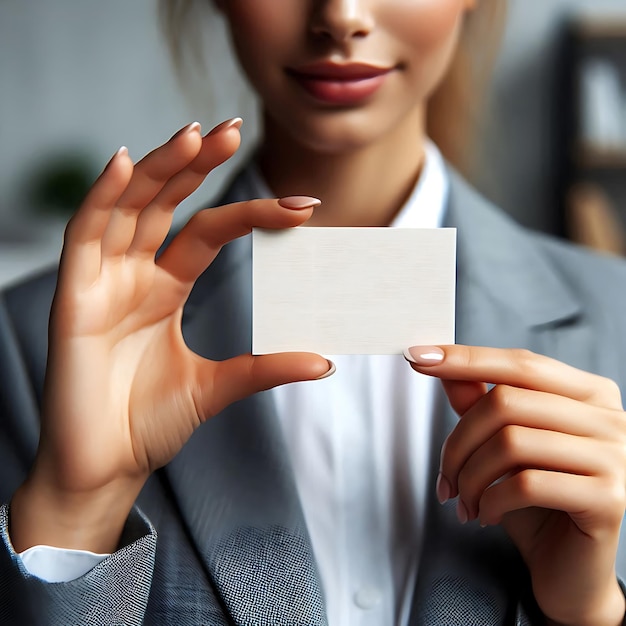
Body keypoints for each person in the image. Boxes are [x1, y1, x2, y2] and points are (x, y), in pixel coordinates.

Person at [1, 0, 626, 624]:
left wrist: (588, 610)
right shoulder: (26, 341)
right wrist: (75, 513)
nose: (342, 16)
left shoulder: (617, 317)